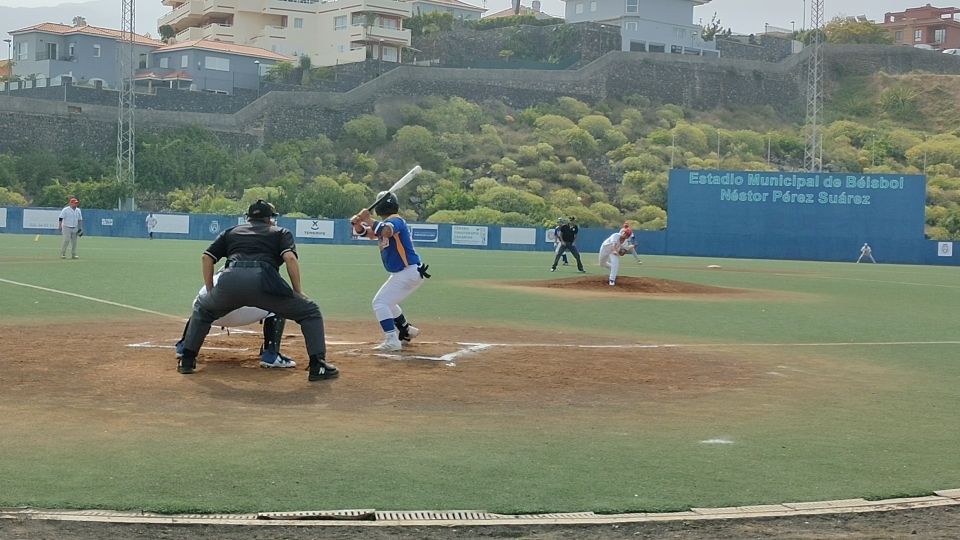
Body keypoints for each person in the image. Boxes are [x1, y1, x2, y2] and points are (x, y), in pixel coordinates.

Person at [176, 200, 338, 382]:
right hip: (264, 282)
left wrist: (211, 289)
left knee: (203, 310)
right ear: (270, 219)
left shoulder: (232, 232)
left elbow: (207, 257)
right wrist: (297, 291)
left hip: (230, 281)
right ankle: (317, 365)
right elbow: (290, 259)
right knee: (310, 312)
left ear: (248, 218)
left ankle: (187, 360)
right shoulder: (280, 232)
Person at [351, 191, 430, 352]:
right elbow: (371, 233)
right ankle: (406, 330)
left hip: (408, 271)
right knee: (389, 302)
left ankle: (392, 340)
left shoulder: (396, 220)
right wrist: (358, 225)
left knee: (380, 303)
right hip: (407, 272)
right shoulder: (385, 223)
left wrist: (367, 219)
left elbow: (386, 231)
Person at [175, 272, 298, 369]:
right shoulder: (263, 274)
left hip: (211, 314)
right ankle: (271, 354)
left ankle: (185, 347)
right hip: (248, 314)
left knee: (200, 306)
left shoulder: (219, 273)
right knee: (280, 303)